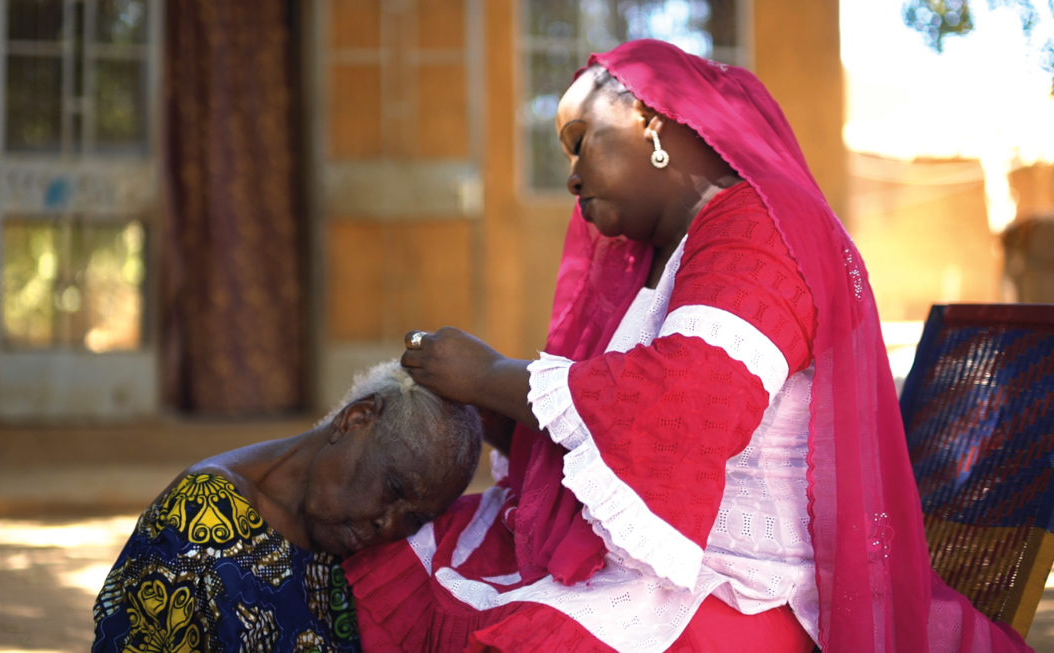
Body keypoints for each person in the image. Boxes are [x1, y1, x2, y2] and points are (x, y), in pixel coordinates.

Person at [343, 39, 1033, 652]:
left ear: (651, 121)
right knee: (409, 557)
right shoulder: (668, 252)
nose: (573, 177)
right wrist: (497, 408)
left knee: (518, 632)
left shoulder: (759, 231)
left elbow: (688, 401)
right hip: (670, 567)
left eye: (582, 141)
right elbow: (614, 415)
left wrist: (493, 374)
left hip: (745, 591)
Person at [91, 360, 483, 652]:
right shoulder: (202, 519)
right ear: (356, 419)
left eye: (415, 517)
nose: (387, 523)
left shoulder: (367, 552)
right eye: (393, 487)